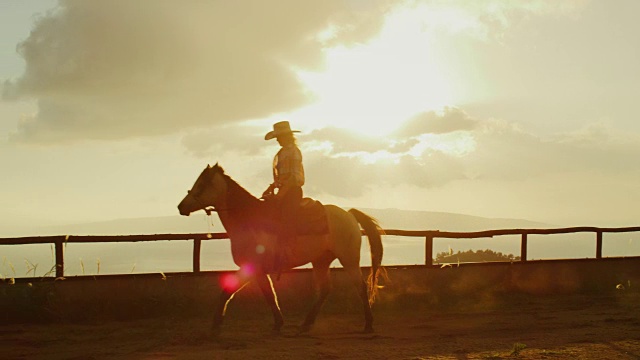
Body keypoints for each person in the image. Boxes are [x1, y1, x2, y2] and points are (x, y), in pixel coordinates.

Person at [262, 121, 305, 271]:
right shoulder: (282, 153)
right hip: (285, 190)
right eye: (277, 137)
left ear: (287, 136)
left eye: (279, 137)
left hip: (292, 192)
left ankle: (287, 251)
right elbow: (283, 177)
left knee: (286, 218)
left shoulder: (293, 151)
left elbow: (293, 178)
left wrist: (280, 195)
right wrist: (271, 187)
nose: (278, 140)